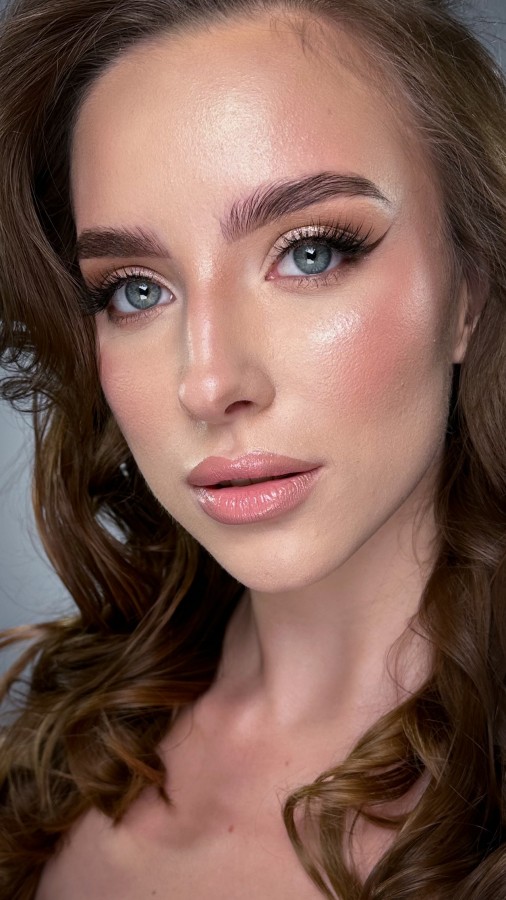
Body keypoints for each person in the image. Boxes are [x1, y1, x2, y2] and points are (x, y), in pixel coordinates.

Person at [0, 0, 505, 897]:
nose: (207, 383)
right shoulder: (57, 742)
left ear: (469, 286)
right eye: (135, 290)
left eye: (310, 254)